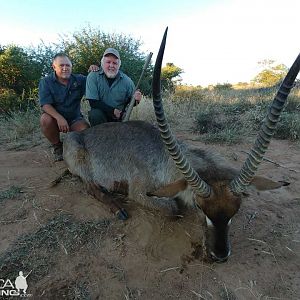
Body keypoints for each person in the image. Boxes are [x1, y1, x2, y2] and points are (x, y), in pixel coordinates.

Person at [38, 53, 98, 161]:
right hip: (55, 120)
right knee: (45, 119)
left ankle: (74, 148)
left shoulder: (80, 79)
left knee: (84, 129)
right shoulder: (46, 82)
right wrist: (59, 118)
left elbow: (92, 81)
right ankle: (57, 147)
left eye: (68, 65)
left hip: (75, 119)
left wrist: (93, 71)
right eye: (61, 65)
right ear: (54, 67)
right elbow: (45, 105)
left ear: (71, 66)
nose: (65, 68)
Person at [85, 48, 142, 126]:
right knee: (95, 114)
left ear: (119, 65)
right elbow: (93, 102)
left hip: (118, 119)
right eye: (108, 62)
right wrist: (112, 111)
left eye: (115, 63)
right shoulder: (93, 76)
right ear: (102, 63)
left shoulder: (127, 81)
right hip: (101, 118)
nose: (111, 65)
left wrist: (136, 100)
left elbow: (131, 102)